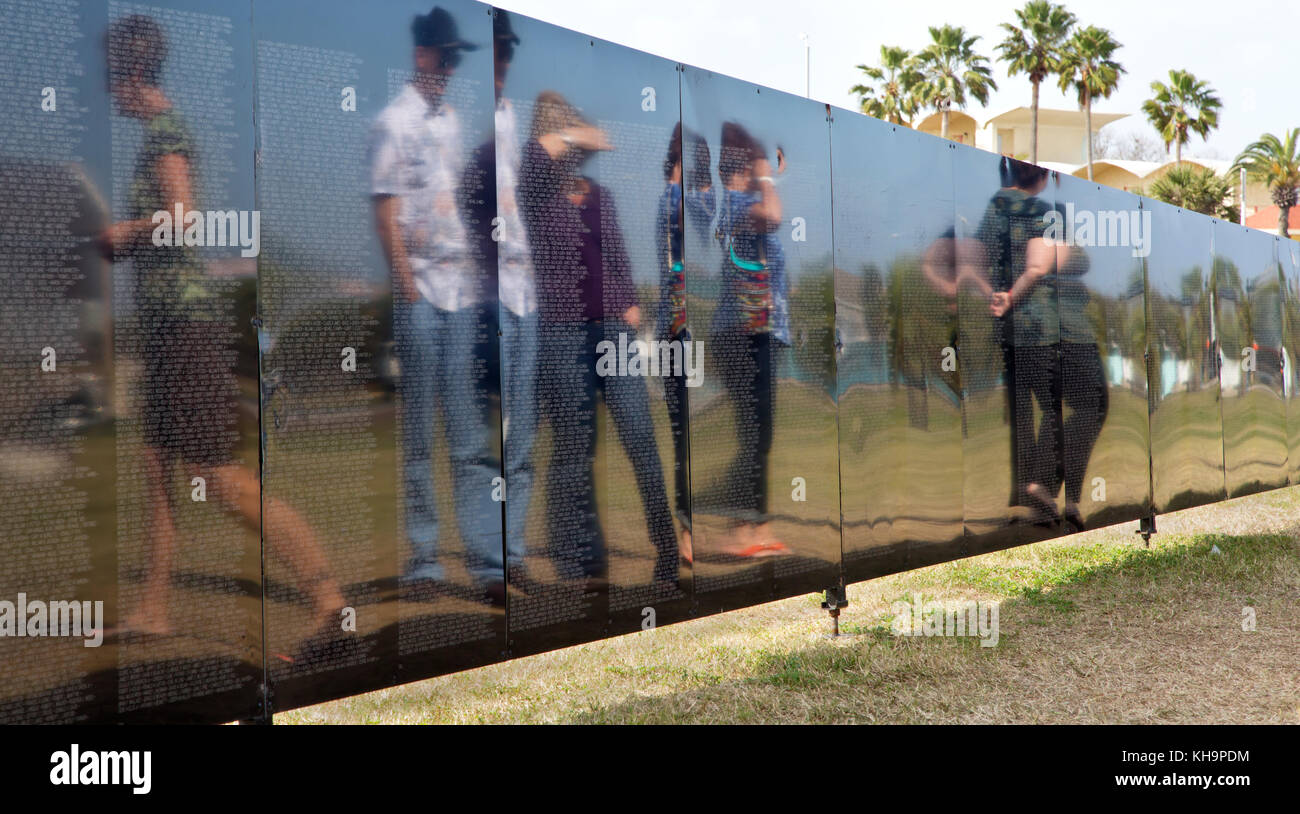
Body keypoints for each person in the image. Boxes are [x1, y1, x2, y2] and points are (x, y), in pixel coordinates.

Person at [102, 13, 343, 635]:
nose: (107, 92)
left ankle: (327, 595)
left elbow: (183, 218)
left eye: (110, 79)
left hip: (187, 328)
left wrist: (122, 234)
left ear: (132, 74)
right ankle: (153, 609)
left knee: (216, 477)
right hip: (163, 329)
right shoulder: (157, 133)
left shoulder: (166, 134)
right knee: (157, 471)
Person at [369, 6, 504, 602]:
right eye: (444, 57)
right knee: (420, 431)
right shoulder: (392, 121)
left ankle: (484, 563)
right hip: (422, 291)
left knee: (469, 431)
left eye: (456, 60)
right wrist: (405, 283)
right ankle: (425, 561)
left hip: (463, 291)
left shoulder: (451, 122)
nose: (450, 69)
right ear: (423, 55)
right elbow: (385, 205)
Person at [518, 91, 677, 588]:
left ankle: (667, 548)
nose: (582, 151)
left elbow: (619, 261)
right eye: (570, 139)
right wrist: (565, 134)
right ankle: (575, 563)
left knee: (639, 436)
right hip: (561, 333)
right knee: (572, 448)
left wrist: (629, 303)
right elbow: (529, 159)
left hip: (613, 330)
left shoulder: (601, 195)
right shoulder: (535, 192)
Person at [708, 122, 790, 557]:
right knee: (753, 434)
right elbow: (773, 216)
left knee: (760, 435)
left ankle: (755, 524)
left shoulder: (745, 200)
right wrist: (765, 174)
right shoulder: (740, 202)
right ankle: (741, 528)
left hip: (759, 333)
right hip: (743, 335)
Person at [655, 123, 715, 564]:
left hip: (696, 332)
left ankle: (697, 529)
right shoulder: (670, 201)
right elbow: (680, 214)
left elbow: (704, 216)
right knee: (682, 440)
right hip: (674, 331)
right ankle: (685, 534)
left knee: (696, 437)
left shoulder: (698, 203)